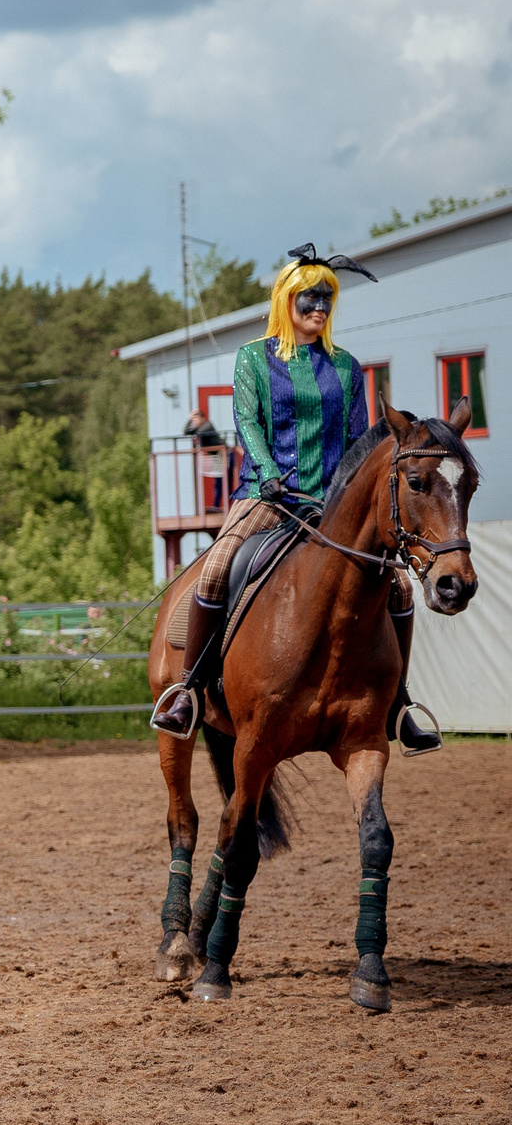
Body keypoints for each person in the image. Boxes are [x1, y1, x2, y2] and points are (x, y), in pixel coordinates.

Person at [151, 253, 439, 752]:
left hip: (333, 504)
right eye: (311, 297)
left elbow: (358, 441)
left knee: (399, 587)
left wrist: (347, 496)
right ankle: (189, 690)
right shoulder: (252, 359)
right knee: (217, 567)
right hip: (268, 495)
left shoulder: (347, 367)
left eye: (327, 298)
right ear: (287, 301)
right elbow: (248, 423)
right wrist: (266, 475)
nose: (320, 307)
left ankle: (398, 703)